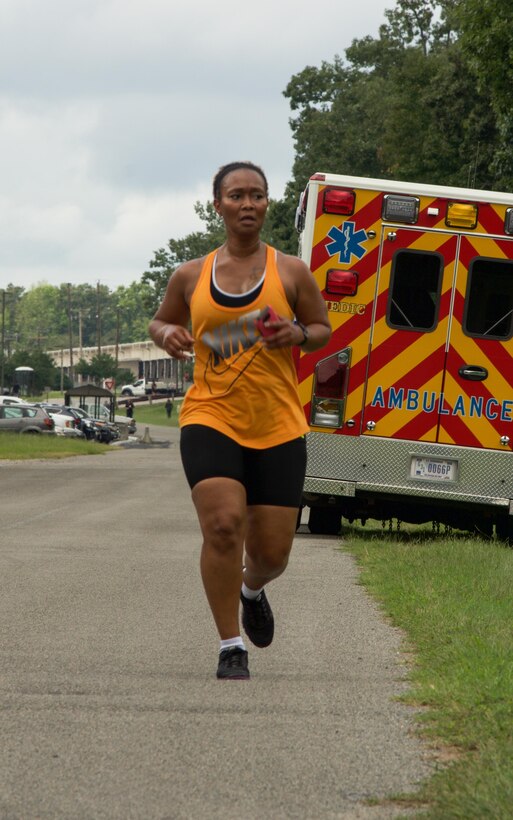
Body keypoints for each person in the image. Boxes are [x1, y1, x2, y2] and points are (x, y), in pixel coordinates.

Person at [149, 161, 331, 680]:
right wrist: (166, 335)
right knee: (224, 525)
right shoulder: (190, 275)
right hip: (211, 414)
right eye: (236, 196)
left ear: (268, 203)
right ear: (218, 205)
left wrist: (298, 333)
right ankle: (231, 645)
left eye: (256, 195)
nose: (246, 204)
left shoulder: (291, 272)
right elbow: (161, 320)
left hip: (277, 423)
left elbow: (321, 329)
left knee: (272, 552)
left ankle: (253, 588)